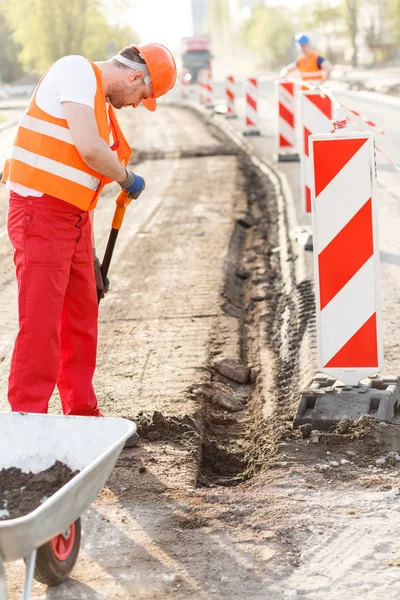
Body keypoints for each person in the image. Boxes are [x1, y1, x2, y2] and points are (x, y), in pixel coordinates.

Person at [2, 43, 176, 443]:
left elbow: (79, 174)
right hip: (39, 213)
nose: (136, 105)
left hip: (73, 220)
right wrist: (126, 177)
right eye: (142, 96)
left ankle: (80, 415)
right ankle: (27, 425)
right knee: (41, 322)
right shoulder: (76, 70)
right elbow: (90, 150)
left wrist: (89, 248)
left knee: (81, 318)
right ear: (135, 76)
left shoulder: (98, 99)